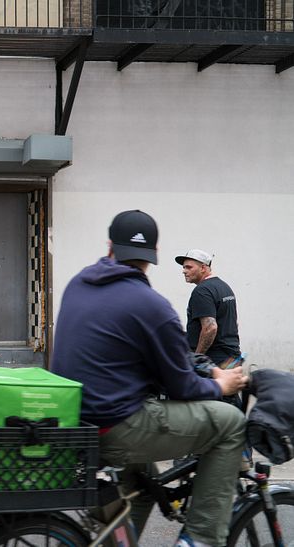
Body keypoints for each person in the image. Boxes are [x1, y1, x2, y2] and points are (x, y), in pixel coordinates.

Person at [50, 210, 247, 547]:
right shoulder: (150, 305)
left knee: (141, 488)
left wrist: (204, 367)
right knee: (229, 423)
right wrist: (220, 384)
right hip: (116, 424)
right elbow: (180, 386)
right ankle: (200, 539)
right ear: (152, 256)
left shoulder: (79, 283)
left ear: (110, 246)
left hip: (75, 420)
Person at [175, 249, 241, 367]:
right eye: (184, 267)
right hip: (232, 359)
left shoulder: (202, 291)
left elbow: (210, 328)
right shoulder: (224, 287)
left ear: (203, 268)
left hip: (214, 363)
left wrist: (196, 360)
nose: (184, 271)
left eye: (189, 267)